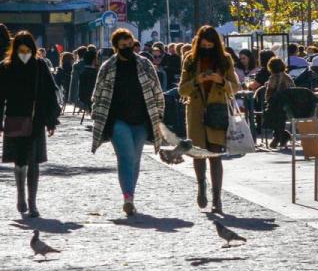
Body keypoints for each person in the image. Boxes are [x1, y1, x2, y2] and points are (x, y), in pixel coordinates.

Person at [89, 29, 165, 216]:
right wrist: (96, 113)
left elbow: (157, 90)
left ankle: (131, 195)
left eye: (130, 45)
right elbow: (97, 93)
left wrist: (159, 114)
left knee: (136, 159)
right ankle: (128, 198)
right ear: (116, 47)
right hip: (117, 119)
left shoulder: (144, 64)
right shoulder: (108, 67)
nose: (128, 48)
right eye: (123, 46)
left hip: (140, 119)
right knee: (126, 156)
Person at [0, 31, 61, 218]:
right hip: (14, 118)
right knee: (19, 161)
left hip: (36, 119)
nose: (25, 53)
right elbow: (0, 97)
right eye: (21, 50)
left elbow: (50, 94)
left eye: (28, 50)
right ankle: (20, 194)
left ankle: (32, 202)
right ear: (15, 50)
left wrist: (51, 120)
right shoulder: (5, 67)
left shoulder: (40, 66)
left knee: (33, 162)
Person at [179, 26, 241, 214]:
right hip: (196, 112)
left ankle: (217, 198)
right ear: (199, 43)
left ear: (216, 45)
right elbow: (182, 90)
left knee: (215, 156)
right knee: (198, 155)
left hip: (217, 111)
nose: (207, 48)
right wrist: (197, 80)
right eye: (203, 45)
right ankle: (201, 186)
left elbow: (236, 87)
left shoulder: (224, 60)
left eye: (210, 45)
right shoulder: (190, 59)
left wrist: (220, 80)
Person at [264, 57, 295, 150]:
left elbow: (269, 92)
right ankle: (282, 136)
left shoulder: (273, 77)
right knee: (278, 116)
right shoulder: (287, 77)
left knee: (270, 113)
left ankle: (278, 136)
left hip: (277, 105)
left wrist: (267, 99)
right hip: (289, 106)